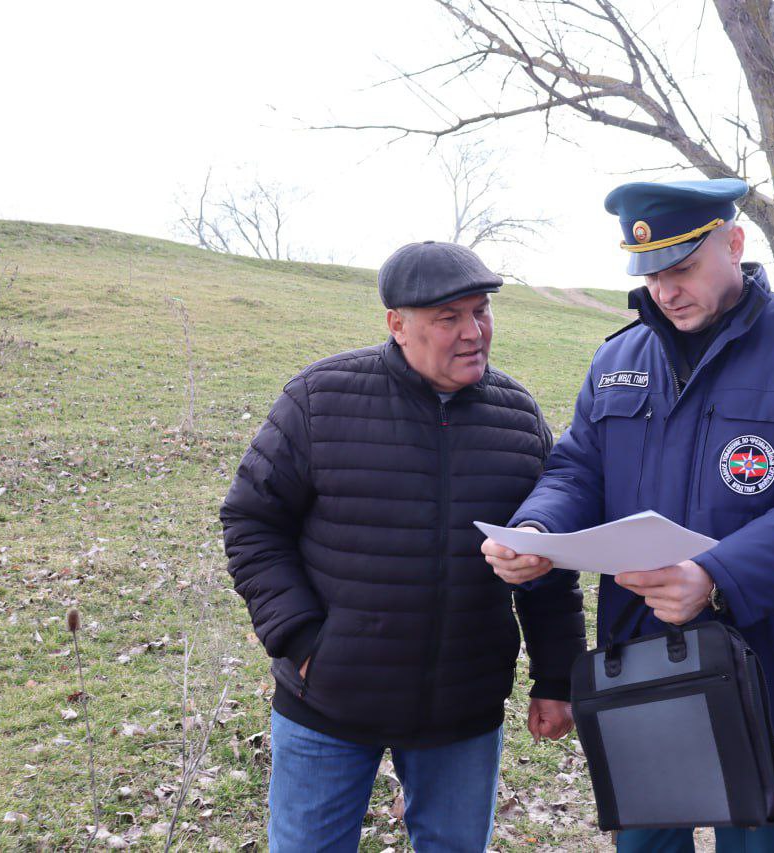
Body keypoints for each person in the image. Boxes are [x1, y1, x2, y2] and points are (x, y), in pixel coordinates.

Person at [482, 179, 774, 852]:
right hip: (639, 657)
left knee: (755, 841)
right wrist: (538, 529)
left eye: (681, 269)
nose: (665, 291)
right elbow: (580, 467)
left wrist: (717, 574)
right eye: (650, 274)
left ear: (733, 243)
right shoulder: (619, 357)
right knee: (644, 843)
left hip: (762, 659)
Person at [221, 240, 585, 852]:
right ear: (397, 324)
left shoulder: (517, 418)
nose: (473, 332)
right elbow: (252, 522)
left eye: (481, 311)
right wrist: (303, 641)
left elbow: (547, 563)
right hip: (328, 702)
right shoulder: (321, 399)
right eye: (450, 318)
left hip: (461, 711)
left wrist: (557, 677)